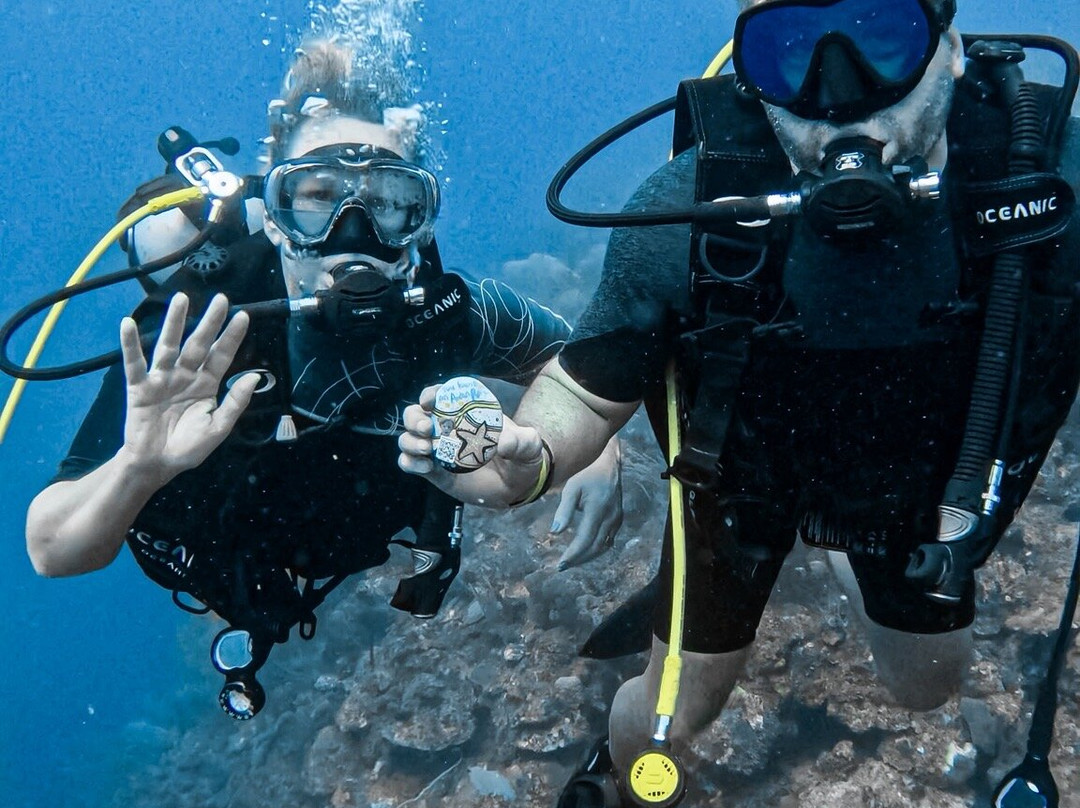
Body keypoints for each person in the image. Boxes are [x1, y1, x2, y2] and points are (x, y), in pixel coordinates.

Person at [398, 0, 1080, 804]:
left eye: (883, 39)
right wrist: (529, 461)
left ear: (951, 48)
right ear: (753, 79)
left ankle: (843, 557)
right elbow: (584, 387)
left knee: (926, 687)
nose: (839, 97)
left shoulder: (1054, 184)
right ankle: (610, 772)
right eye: (790, 51)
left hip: (925, 500)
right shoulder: (690, 206)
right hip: (740, 487)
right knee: (670, 715)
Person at [24, 38, 622, 720]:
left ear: (419, 218)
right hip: (233, 548)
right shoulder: (197, 331)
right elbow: (51, 548)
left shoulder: (449, 314)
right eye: (316, 196)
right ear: (274, 216)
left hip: (359, 523)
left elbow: (581, 364)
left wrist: (591, 443)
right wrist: (138, 468)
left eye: (388, 199)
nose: (353, 232)